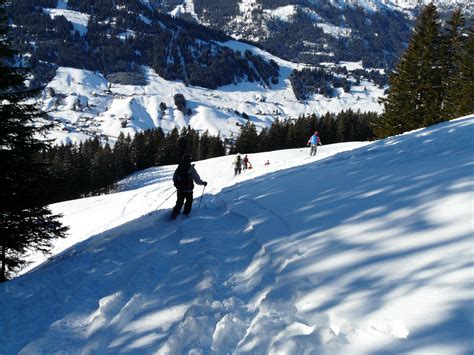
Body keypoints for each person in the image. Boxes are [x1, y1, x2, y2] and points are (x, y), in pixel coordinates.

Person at [171, 153, 207, 219]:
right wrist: (203, 183)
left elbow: (174, 178)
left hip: (180, 189)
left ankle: (174, 214)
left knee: (179, 202)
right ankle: (185, 216)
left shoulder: (179, 168)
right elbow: (197, 179)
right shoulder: (191, 169)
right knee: (188, 202)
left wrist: (179, 184)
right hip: (188, 190)